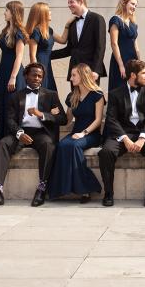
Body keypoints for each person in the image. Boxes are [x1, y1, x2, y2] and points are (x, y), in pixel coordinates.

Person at [0, 63, 63, 207]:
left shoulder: (51, 95)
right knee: (3, 143)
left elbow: (62, 119)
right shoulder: (15, 96)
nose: (37, 78)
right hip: (21, 131)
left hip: (41, 133)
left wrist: (42, 115)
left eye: (40, 76)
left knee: (48, 145)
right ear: (25, 76)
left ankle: (42, 187)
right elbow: (9, 119)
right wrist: (19, 133)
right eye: (34, 75)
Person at [99, 60, 145, 207]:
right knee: (106, 152)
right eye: (143, 73)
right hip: (122, 133)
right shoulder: (115, 94)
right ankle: (108, 193)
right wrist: (125, 139)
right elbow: (111, 119)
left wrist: (142, 138)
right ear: (133, 75)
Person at [48, 64, 105, 202]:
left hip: (91, 134)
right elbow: (67, 120)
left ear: (83, 76)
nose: (70, 78)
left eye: (74, 75)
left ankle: (85, 190)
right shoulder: (72, 96)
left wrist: (83, 133)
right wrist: (54, 113)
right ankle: (60, 189)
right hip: (76, 132)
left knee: (73, 146)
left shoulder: (97, 94)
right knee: (62, 146)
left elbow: (98, 120)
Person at [50, 0, 107, 84]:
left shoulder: (97, 19)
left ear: (81, 1)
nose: (69, 5)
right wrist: (47, 55)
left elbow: (100, 47)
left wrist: (96, 70)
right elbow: (69, 50)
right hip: (74, 72)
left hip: (90, 71)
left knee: (91, 98)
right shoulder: (72, 24)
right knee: (75, 98)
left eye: (71, 2)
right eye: (68, 2)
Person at [0, 1, 27, 138]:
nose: (4, 13)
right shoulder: (5, 30)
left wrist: (13, 77)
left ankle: (11, 136)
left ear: (13, 12)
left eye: (6, 10)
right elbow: (3, 54)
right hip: (2, 71)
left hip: (14, 72)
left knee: (11, 104)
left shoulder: (20, 32)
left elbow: (19, 56)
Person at [26, 2, 65, 91]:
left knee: (50, 93)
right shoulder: (36, 31)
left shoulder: (49, 30)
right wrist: (36, 74)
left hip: (47, 66)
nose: (50, 13)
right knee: (43, 92)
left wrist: (67, 25)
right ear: (42, 14)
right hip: (40, 66)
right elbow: (32, 56)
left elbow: (63, 40)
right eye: (48, 11)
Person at [108, 0, 140, 92]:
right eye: (132, 4)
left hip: (133, 61)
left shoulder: (133, 23)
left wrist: (139, 63)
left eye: (136, 6)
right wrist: (121, 65)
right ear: (124, 3)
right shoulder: (115, 20)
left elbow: (136, 45)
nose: (134, 7)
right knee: (120, 89)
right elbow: (114, 43)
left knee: (133, 89)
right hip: (120, 61)